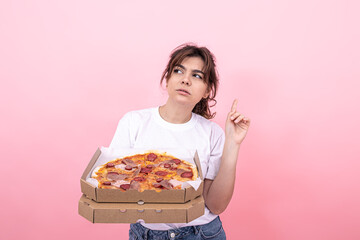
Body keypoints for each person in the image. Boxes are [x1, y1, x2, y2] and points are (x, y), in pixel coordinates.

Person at [109, 43, 251, 240]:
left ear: (207, 91)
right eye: (178, 71)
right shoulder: (133, 122)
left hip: (202, 233)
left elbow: (217, 205)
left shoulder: (212, 133)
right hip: (147, 234)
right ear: (167, 79)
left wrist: (233, 144)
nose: (185, 80)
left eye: (196, 75)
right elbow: (116, 187)